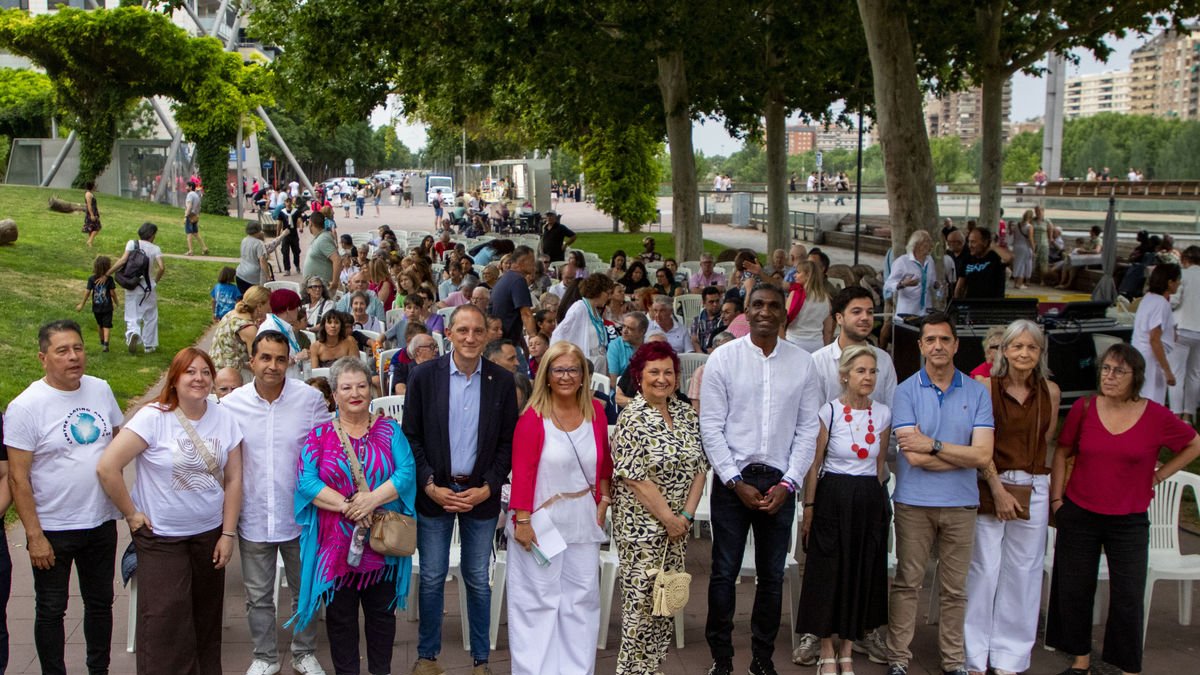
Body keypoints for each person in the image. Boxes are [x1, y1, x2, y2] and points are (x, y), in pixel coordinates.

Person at [1046, 343, 1200, 675]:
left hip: (1129, 519)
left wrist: (1158, 475)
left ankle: (1127, 667)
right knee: (1074, 589)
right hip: (1081, 512)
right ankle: (1080, 662)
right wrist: (1057, 499)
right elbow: (1062, 451)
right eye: (1105, 368)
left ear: (1136, 377)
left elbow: (1194, 444)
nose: (1110, 376)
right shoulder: (1085, 407)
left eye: (1119, 371)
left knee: (1128, 595)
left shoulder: (1155, 415)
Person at [94, 347, 243, 674]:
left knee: (205, 621)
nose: (199, 378)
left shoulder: (225, 418)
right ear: (174, 379)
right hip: (161, 538)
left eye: (205, 372)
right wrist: (132, 514)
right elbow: (107, 467)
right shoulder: (153, 417)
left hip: (208, 536)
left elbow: (234, 479)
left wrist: (228, 533)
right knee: (165, 624)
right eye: (190, 371)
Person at [700, 283, 821, 675]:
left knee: (771, 576)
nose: (765, 311)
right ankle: (721, 659)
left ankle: (762, 659)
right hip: (732, 482)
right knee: (724, 572)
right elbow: (711, 427)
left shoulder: (803, 364)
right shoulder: (724, 359)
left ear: (784, 313)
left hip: (780, 484)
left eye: (773, 305)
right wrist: (735, 482)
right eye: (757, 305)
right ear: (746, 312)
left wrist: (789, 484)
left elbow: (808, 431)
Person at [403, 305, 518, 675]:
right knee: (432, 577)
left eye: (478, 331)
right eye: (463, 330)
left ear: (487, 335)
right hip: (435, 492)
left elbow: (507, 443)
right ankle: (427, 658)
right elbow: (410, 438)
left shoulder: (501, 381)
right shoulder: (424, 376)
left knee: (478, 579)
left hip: (480, 494)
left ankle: (481, 661)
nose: (470, 338)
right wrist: (429, 484)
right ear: (449, 334)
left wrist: (489, 487)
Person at [6, 320, 122, 675]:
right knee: (51, 609)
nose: (74, 357)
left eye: (78, 348)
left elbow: (117, 445)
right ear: (43, 358)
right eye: (62, 351)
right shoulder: (26, 407)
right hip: (53, 528)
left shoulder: (101, 389)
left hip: (100, 521)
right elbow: (18, 477)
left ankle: (98, 670)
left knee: (100, 604)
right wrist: (34, 535)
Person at [290, 357, 416, 675]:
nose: (355, 393)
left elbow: (406, 472)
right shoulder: (319, 435)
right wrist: (350, 506)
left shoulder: (389, 430)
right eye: (346, 387)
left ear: (371, 391)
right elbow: (306, 482)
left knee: (382, 618)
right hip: (335, 546)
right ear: (334, 394)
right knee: (340, 621)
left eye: (361, 386)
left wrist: (372, 500)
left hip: (381, 543)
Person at [887, 312, 994, 675]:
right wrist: (962, 456)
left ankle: (953, 661)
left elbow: (983, 456)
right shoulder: (904, 391)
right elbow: (913, 458)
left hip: (961, 504)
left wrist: (933, 444)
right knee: (907, 583)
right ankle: (898, 658)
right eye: (930, 340)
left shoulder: (977, 392)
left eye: (944, 339)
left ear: (956, 345)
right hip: (913, 503)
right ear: (920, 346)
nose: (938, 346)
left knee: (955, 589)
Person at [222, 333, 332, 673]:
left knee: (305, 591)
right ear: (252, 362)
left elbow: (327, 453)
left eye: (280, 359)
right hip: (254, 515)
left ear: (289, 362)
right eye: (266, 358)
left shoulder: (309, 400)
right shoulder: (231, 405)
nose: (273, 366)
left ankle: (304, 652)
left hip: (300, 516)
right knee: (257, 596)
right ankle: (265, 657)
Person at [507, 342, 613, 674]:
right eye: (558, 370)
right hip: (539, 521)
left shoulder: (595, 412)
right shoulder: (533, 417)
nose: (566, 376)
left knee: (581, 602)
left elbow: (604, 463)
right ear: (546, 376)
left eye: (573, 370)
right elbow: (522, 472)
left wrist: (604, 499)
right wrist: (523, 520)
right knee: (536, 603)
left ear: (583, 376)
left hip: (582, 520)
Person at [960, 320, 1059, 675]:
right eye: (1017, 346)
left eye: (1032, 347)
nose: (1024, 353)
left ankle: (1010, 657)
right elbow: (977, 443)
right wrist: (998, 488)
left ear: (1040, 352)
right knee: (984, 569)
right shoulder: (985, 386)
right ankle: (974, 656)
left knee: (1024, 572)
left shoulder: (1050, 391)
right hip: (992, 482)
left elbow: (1046, 441)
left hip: (1033, 484)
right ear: (1004, 350)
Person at [610, 341, 706, 674]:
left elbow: (700, 468)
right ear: (639, 377)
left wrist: (686, 517)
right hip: (643, 532)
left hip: (677, 529)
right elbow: (635, 479)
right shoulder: (632, 418)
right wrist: (669, 519)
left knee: (665, 604)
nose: (662, 379)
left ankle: (652, 669)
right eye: (654, 372)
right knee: (640, 608)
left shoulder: (684, 413)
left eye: (668, 372)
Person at [797, 344, 892, 675]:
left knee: (860, 570)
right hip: (832, 496)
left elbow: (879, 467)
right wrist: (810, 507)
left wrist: (878, 506)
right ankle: (826, 648)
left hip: (867, 498)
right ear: (844, 376)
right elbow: (814, 465)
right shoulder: (829, 411)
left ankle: (848, 648)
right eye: (860, 371)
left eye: (872, 371)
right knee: (827, 571)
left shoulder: (883, 414)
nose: (868, 377)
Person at [110, 221, 165, 354]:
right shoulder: (156, 249)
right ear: (152, 235)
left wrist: (108, 273)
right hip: (149, 286)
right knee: (151, 315)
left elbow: (123, 261)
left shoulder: (132, 243)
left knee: (132, 313)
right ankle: (149, 345)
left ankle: (133, 333)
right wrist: (155, 281)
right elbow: (162, 268)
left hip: (133, 284)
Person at [1132, 263, 1181, 404]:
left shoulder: (1148, 298)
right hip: (1152, 360)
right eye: (1178, 280)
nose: (1179, 283)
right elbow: (1154, 339)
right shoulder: (1161, 304)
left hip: (1140, 355)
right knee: (1152, 401)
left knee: (1142, 399)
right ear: (1170, 282)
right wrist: (1167, 371)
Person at [551, 273, 617, 378]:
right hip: (586, 361)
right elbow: (559, 334)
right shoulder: (579, 307)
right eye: (607, 293)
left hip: (599, 360)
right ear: (598, 291)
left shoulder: (595, 311)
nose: (609, 297)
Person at [1169, 246, 1200, 421]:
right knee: (1194, 374)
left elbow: (1174, 301)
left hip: (1182, 329)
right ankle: (1189, 416)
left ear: (1185, 260)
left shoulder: (1183, 275)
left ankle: (1176, 415)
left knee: (1176, 373)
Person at [211, 285, 270, 376]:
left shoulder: (232, 313)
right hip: (230, 376)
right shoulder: (249, 328)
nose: (270, 308)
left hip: (214, 369)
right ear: (259, 306)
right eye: (268, 304)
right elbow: (255, 363)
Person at [784, 260, 833, 353]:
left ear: (808, 275)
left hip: (794, 342)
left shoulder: (795, 295)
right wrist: (825, 349)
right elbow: (828, 329)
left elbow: (784, 319)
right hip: (816, 344)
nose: (795, 275)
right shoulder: (826, 298)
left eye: (798, 272)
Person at [885, 230, 938, 317]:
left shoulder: (930, 260)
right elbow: (888, 285)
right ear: (917, 245)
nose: (931, 245)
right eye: (927, 242)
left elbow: (932, 281)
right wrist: (903, 284)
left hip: (925, 312)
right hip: (907, 312)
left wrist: (937, 285)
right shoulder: (902, 261)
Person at [953, 227, 1010, 299]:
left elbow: (1009, 258)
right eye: (969, 241)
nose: (970, 245)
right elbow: (960, 285)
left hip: (992, 304)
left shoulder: (995, 257)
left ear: (985, 242)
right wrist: (957, 301)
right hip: (971, 303)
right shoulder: (967, 258)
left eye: (973, 242)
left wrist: (993, 246)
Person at [76, 255, 117, 352]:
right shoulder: (109, 279)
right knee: (107, 325)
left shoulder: (91, 279)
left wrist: (82, 304)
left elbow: (87, 292)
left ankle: (102, 341)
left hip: (96, 307)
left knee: (100, 324)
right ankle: (106, 344)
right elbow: (112, 293)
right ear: (108, 267)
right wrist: (117, 302)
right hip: (107, 307)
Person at [1054, 225, 1103, 290]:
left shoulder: (1098, 240)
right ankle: (1061, 282)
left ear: (1093, 232)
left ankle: (1068, 285)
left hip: (1092, 262)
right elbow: (1086, 248)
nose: (1089, 232)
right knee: (1066, 265)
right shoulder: (1091, 240)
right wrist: (1081, 250)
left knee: (1072, 267)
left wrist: (1084, 252)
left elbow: (1097, 251)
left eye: (1090, 231)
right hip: (1084, 258)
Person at [303, 213, 342, 294]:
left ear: (311, 223)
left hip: (321, 288)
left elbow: (337, 260)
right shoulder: (319, 237)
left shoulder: (323, 239)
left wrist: (334, 282)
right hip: (313, 287)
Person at [608, 311, 649, 384]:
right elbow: (613, 381)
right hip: (620, 388)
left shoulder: (650, 346)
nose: (624, 331)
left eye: (630, 329)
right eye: (624, 326)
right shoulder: (615, 346)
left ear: (642, 331)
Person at [690, 286, 725, 353]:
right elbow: (694, 341)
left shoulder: (724, 318)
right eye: (711, 302)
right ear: (704, 303)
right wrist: (701, 354)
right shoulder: (697, 320)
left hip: (720, 353)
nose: (715, 304)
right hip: (702, 354)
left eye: (717, 301)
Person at [1010, 210, 1035, 289]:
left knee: (1017, 265)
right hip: (1025, 247)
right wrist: (1033, 248)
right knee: (1023, 266)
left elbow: (1014, 236)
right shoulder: (1029, 226)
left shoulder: (1017, 225)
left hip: (1016, 246)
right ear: (1031, 217)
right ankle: (1019, 284)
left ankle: (1015, 283)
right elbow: (1030, 239)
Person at [184, 180, 210, 256]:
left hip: (190, 216)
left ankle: (190, 251)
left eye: (187, 186)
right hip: (195, 216)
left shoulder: (190, 195)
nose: (185, 188)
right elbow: (199, 207)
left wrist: (186, 216)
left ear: (190, 187)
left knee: (189, 233)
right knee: (196, 233)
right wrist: (197, 215)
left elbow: (189, 206)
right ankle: (204, 248)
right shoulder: (196, 195)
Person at [83, 180, 102, 247]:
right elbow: (89, 205)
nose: (95, 187)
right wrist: (92, 215)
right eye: (94, 186)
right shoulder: (88, 194)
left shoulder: (90, 193)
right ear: (92, 186)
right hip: (91, 213)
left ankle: (90, 242)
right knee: (97, 228)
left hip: (94, 212)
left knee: (92, 228)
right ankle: (89, 241)